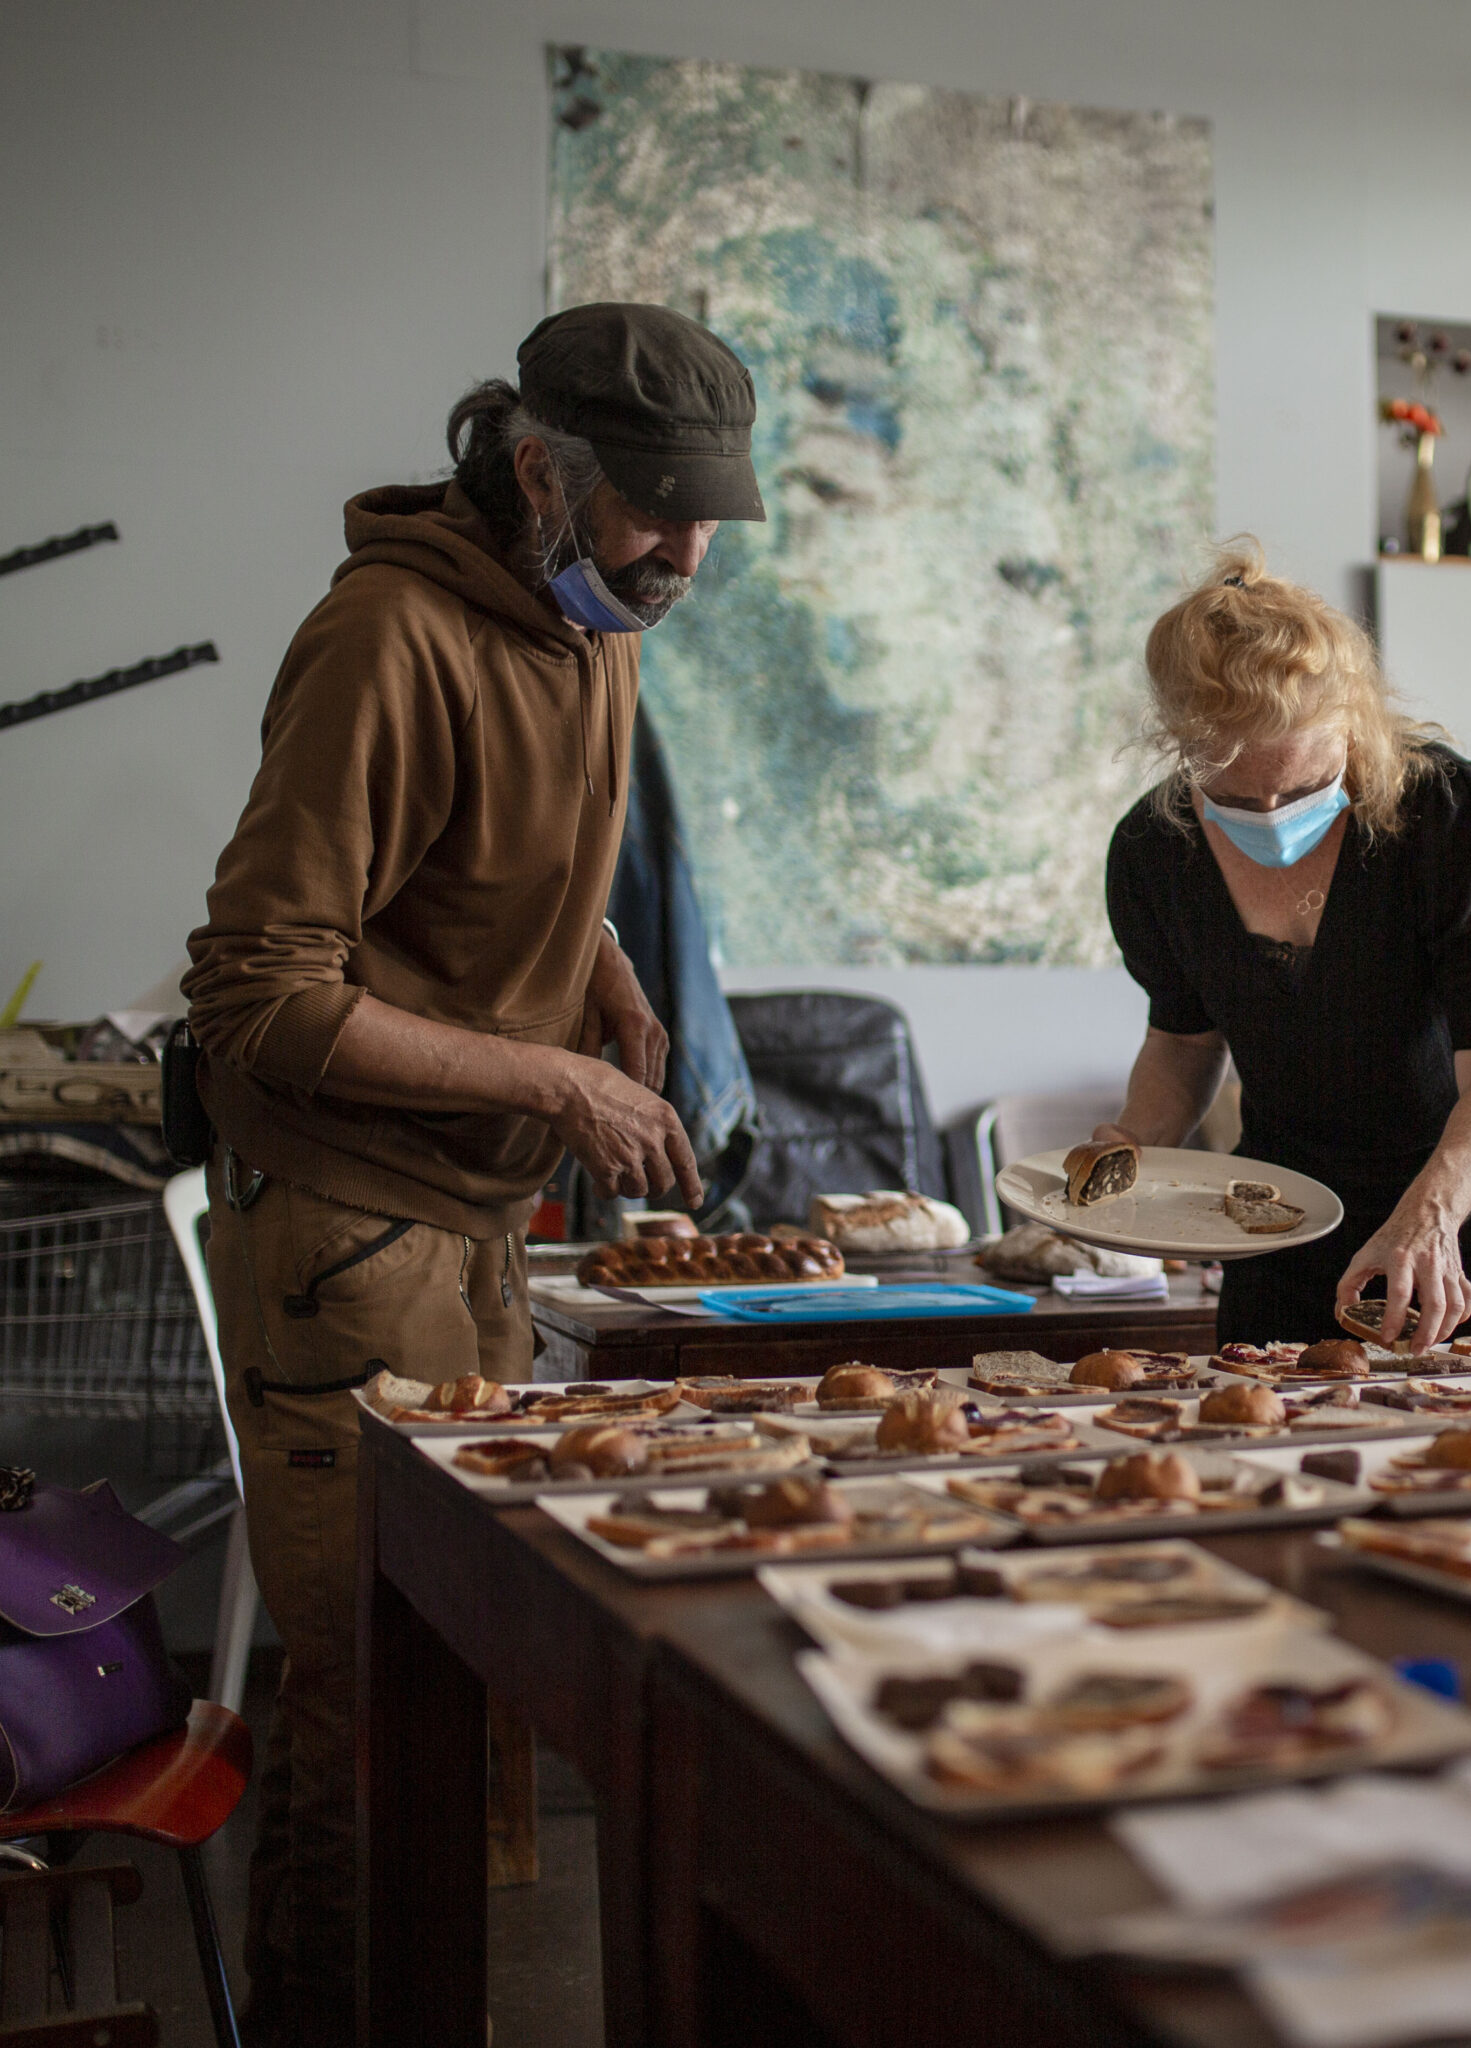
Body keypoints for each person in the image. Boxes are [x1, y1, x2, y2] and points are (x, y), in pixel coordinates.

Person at [181, 301, 760, 2042]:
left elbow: (522, 852)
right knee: (370, 1711)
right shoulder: (383, 637)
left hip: (480, 1218)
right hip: (351, 1221)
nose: (688, 552)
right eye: (660, 508)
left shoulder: (607, 616)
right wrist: (550, 1078)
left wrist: (613, 976)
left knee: (481, 1691)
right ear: (536, 469)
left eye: (713, 513)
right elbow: (259, 990)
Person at [1099, 542, 1471, 1352]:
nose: (1269, 813)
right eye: (1232, 795)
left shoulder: (1449, 816)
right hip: (1284, 1228)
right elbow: (1183, 1045)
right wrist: (1126, 1151)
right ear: (1180, 748)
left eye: (1300, 790)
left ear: (1354, 727)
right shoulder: (1156, 853)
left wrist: (1427, 1218)